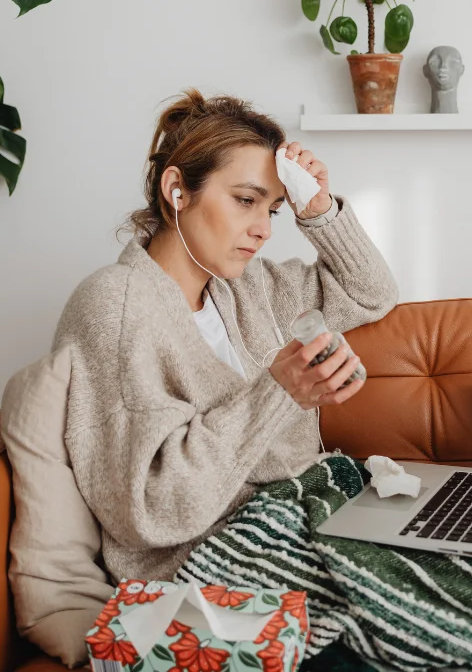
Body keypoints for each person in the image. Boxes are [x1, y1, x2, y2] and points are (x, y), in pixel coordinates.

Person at [52, 89, 398, 582]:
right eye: (245, 201)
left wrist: (316, 207)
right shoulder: (116, 306)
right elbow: (154, 505)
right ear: (177, 190)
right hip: (213, 561)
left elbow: (371, 292)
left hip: (309, 514)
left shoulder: (249, 286)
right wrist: (279, 393)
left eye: (274, 209)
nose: (264, 230)